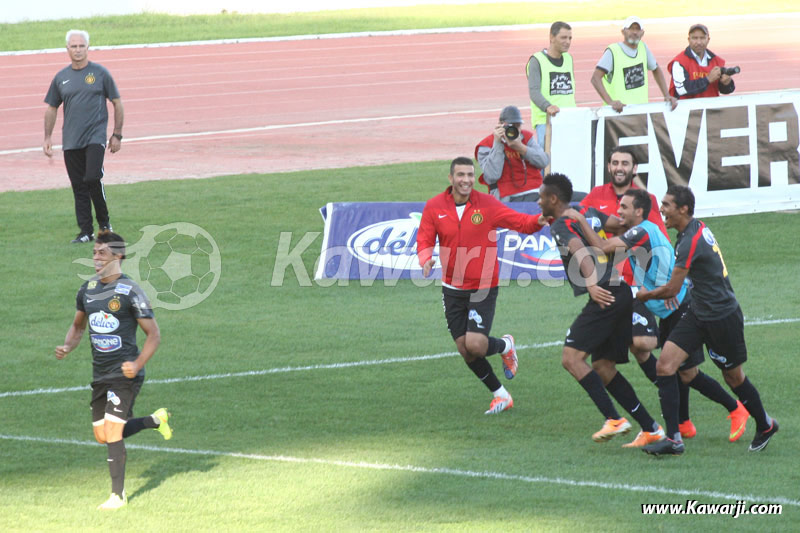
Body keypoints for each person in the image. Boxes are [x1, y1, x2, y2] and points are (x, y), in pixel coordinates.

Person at [572, 189, 750, 445]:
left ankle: (734, 409)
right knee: (678, 370)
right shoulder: (640, 232)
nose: (619, 211)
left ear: (639, 212)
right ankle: (683, 424)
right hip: (670, 309)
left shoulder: (641, 230)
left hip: (681, 308)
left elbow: (601, 248)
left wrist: (579, 220)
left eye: (624, 207)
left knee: (681, 371)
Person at [636, 186, 778, 455]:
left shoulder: (689, 242)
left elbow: (670, 289)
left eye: (666, 205)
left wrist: (646, 295)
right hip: (698, 312)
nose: (662, 209)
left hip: (721, 317)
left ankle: (765, 424)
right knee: (666, 365)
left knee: (733, 376)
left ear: (683, 209)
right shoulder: (695, 229)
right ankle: (675, 439)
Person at [539, 173, 662, 447]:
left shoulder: (560, 224)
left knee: (571, 358)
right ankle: (651, 428)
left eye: (541, 197)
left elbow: (580, 252)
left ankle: (613, 419)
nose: (538, 201)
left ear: (553, 198)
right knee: (603, 366)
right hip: (620, 290)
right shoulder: (587, 210)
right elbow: (618, 224)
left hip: (605, 294)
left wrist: (593, 284)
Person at [416, 157, 545, 414]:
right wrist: (425, 258)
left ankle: (506, 346)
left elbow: (520, 222)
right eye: (460, 175)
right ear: (450, 178)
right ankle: (501, 396)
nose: (466, 180)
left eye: (470, 175)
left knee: (475, 345)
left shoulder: (487, 204)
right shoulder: (434, 207)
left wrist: (540, 221)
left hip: (482, 285)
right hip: (452, 288)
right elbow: (424, 238)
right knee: (465, 349)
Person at [55, 230, 172, 509]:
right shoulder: (88, 290)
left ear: (118, 256)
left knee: (113, 433)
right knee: (102, 435)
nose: (96, 258)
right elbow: (78, 325)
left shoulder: (130, 291)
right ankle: (154, 421)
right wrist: (68, 346)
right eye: (94, 252)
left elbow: (154, 334)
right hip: (100, 373)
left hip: (125, 373)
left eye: (102, 253)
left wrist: (137, 364)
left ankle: (117, 495)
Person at [44, 30, 124, 244]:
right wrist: (47, 137)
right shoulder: (61, 78)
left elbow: (117, 103)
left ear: (88, 48)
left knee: (92, 178)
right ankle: (86, 232)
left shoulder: (100, 73)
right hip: (71, 141)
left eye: (81, 46)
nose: (77, 50)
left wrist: (117, 135)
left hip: (95, 137)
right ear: (67, 49)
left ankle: (105, 223)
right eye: (73, 46)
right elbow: (51, 107)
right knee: (78, 186)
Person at [590, 16, 678, 112]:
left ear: (642, 33)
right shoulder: (613, 51)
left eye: (637, 29)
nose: (634, 32)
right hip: (618, 114)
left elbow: (655, 69)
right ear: (623, 32)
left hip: (641, 111)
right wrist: (610, 102)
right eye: (631, 28)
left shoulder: (643, 48)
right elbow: (595, 78)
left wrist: (666, 95)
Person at [475, 105, 549, 203]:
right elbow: (492, 176)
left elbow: (544, 162)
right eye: (510, 126)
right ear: (500, 125)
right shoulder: (486, 145)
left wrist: (520, 147)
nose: (514, 130)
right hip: (507, 196)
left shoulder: (526, 137)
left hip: (536, 191)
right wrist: (498, 143)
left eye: (517, 126)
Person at [526, 21, 576, 149]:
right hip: (546, 121)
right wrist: (547, 106)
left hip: (569, 118)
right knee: (547, 161)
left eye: (570, 38)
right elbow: (534, 92)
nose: (568, 41)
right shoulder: (536, 61)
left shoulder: (569, 59)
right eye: (563, 37)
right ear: (552, 37)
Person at [668, 24, 735, 99]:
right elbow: (682, 89)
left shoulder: (716, 61)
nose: (699, 42)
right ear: (689, 39)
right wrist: (707, 79)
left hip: (711, 108)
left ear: (708, 39)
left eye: (702, 38)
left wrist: (727, 83)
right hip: (687, 109)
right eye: (695, 38)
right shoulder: (679, 62)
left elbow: (725, 90)